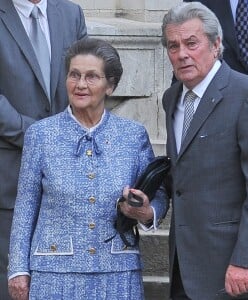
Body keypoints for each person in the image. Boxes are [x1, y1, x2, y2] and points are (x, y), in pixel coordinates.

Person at [7, 37, 168, 300]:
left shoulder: (132, 135)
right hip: (53, 274)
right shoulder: (41, 135)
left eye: (92, 76)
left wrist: (146, 210)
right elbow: (26, 206)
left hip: (118, 273)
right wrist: (17, 270)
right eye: (74, 75)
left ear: (110, 85)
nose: (81, 84)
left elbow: (159, 194)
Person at [161, 2, 248, 299]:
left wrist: (245, 259)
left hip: (236, 271)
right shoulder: (171, 99)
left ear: (216, 44)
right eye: (173, 46)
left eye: (192, 43)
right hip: (186, 268)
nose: (182, 54)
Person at [0, 0, 87, 298]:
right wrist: (41, 137)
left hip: (68, 176)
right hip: (8, 174)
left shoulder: (71, 13)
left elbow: (87, 81)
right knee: (12, 283)